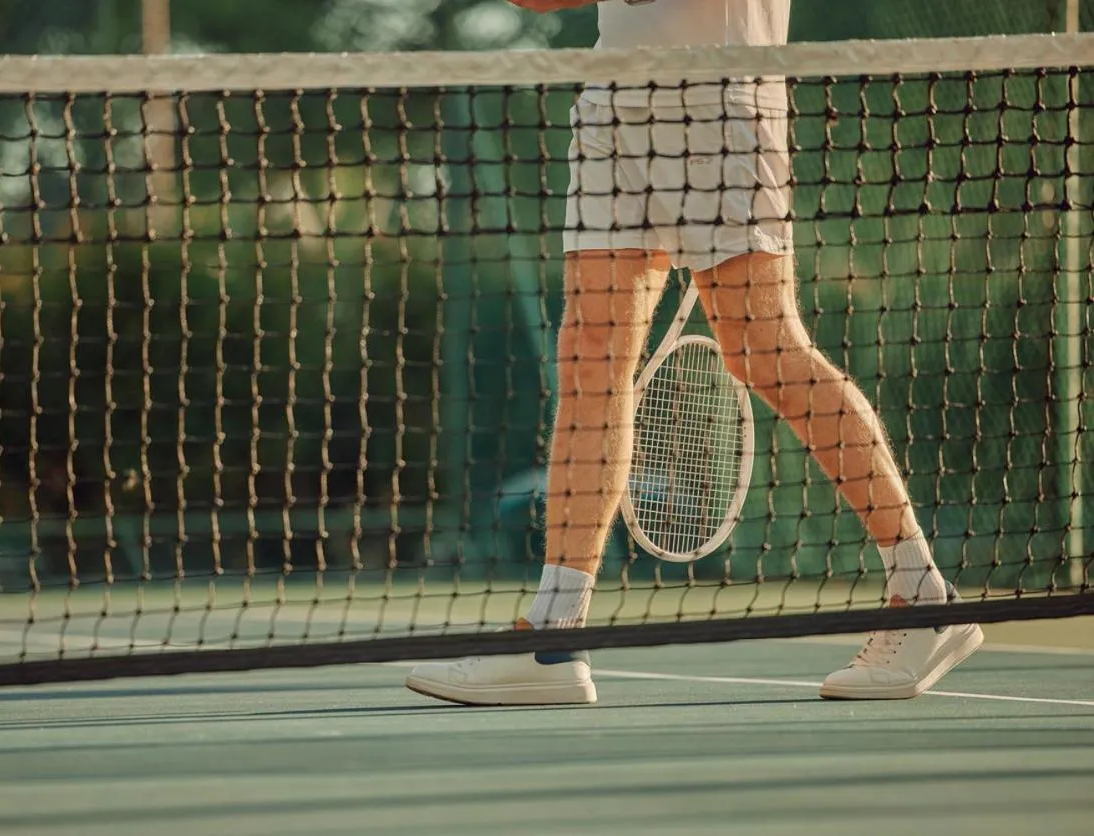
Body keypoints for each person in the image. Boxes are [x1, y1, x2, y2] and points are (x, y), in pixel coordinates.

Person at [405, 0, 983, 705]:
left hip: (716, 96)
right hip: (614, 95)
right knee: (591, 361)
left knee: (765, 350)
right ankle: (552, 638)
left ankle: (922, 594)